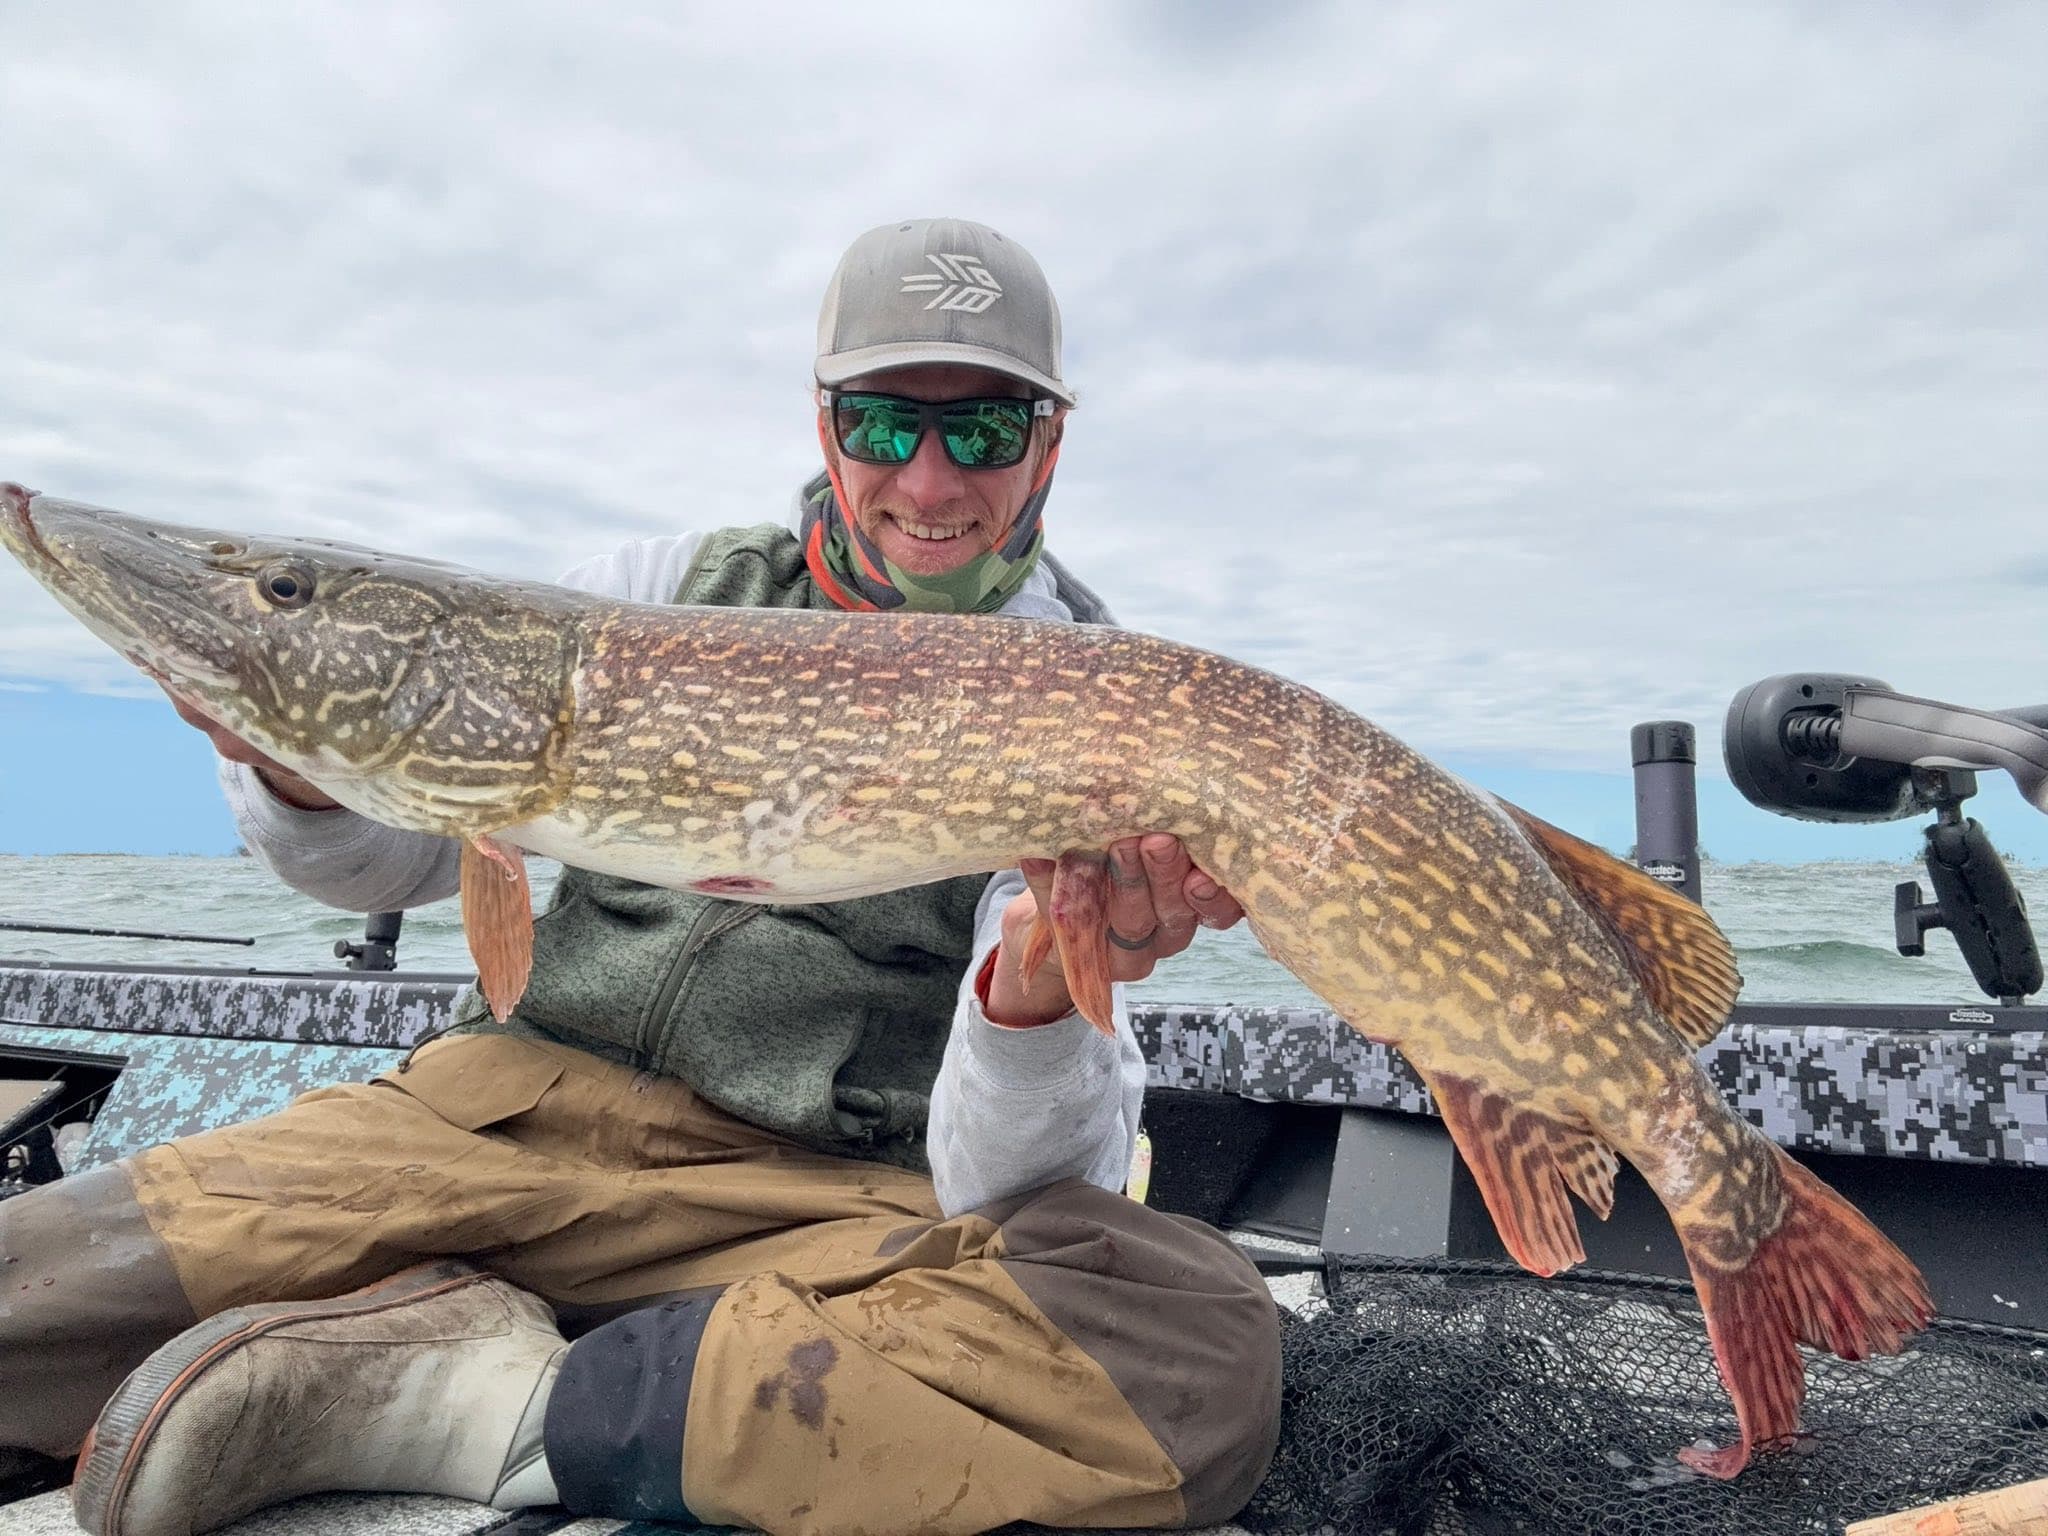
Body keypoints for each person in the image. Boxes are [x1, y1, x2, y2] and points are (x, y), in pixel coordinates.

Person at [0, 218, 1283, 1536]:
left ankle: (472, 1402)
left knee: (1188, 1366)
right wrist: (310, 772)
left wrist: (1036, 995)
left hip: (800, 1201)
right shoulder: (659, 590)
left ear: (1048, 445)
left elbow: (1009, 1183)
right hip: (477, 1123)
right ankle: (485, 1351)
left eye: (986, 431)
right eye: (887, 428)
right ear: (829, 425)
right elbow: (390, 856)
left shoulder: (1096, 702)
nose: (931, 479)